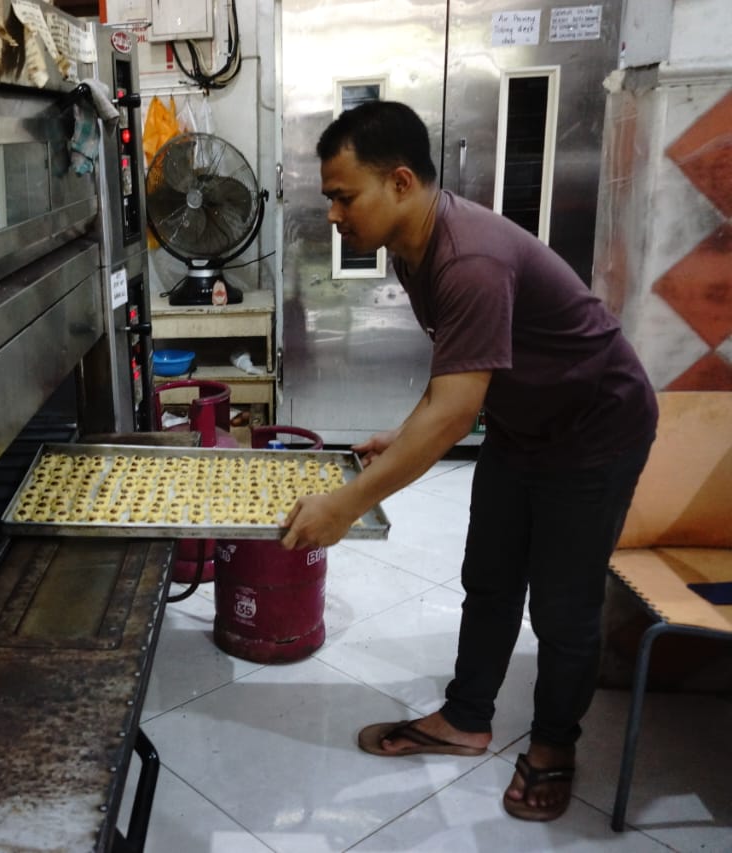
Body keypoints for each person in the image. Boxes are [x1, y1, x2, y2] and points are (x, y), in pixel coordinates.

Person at [279, 100, 658, 822]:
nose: (332, 214)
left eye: (342, 195)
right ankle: (466, 716)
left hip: (595, 425)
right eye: (328, 197)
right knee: (488, 577)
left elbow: (455, 413)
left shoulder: (470, 258)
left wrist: (344, 505)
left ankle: (552, 746)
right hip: (524, 424)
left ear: (398, 183)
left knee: (563, 605)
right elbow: (460, 372)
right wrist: (405, 430)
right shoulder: (412, 244)